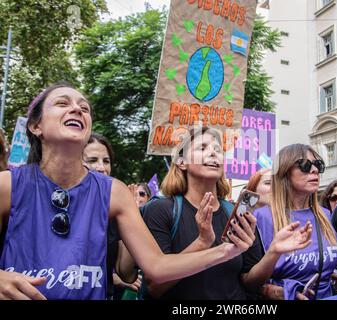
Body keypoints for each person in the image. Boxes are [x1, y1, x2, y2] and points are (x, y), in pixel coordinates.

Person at [0, 83, 260, 300]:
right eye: (62, 103)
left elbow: (156, 267)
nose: (77, 109)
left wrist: (225, 251)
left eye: (84, 108)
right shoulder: (8, 185)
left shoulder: (114, 192)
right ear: (36, 126)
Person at [141, 127, 313, 300]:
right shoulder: (160, 210)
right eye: (202, 148)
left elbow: (250, 282)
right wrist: (202, 243)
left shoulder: (237, 212)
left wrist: (274, 252)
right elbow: (155, 287)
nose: (213, 153)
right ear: (181, 162)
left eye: (218, 150)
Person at [254, 144, 337, 300]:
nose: (315, 170)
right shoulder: (261, 218)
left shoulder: (326, 216)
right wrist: (277, 292)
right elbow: (248, 282)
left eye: (318, 165)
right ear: (285, 172)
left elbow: (326, 271)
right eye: (305, 165)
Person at [82, 132, 142, 300]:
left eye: (106, 161)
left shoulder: (114, 210)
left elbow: (126, 272)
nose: (102, 167)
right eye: (92, 160)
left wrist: (132, 216)